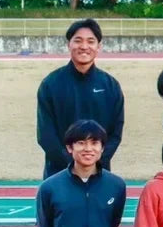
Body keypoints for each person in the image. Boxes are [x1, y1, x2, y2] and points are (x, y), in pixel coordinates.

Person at [36, 18, 124, 178]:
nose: (84, 46)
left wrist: (93, 163)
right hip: (59, 175)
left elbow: (115, 133)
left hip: (99, 174)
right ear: (69, 44)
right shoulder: (51, 84)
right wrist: (73, 165)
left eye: (91, 41)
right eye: (78, 41)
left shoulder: (110, 86)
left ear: (99, 46)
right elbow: (46, 135)